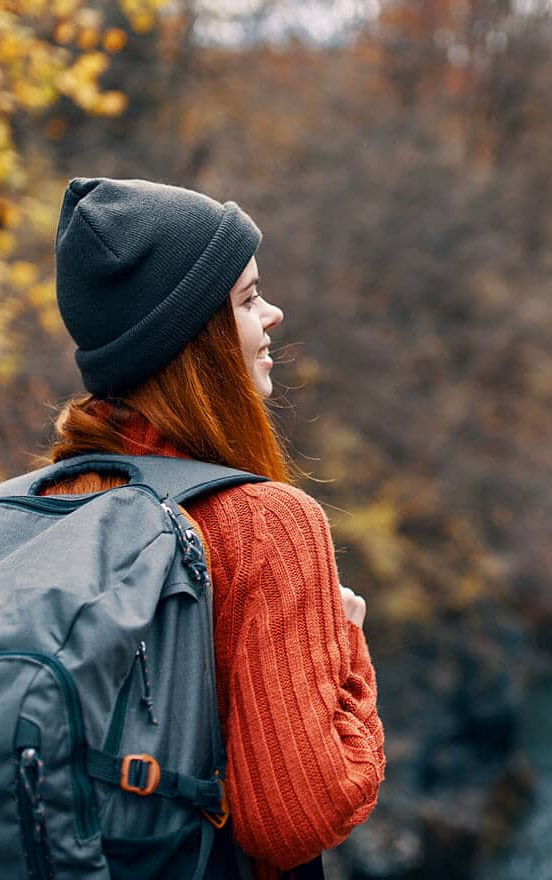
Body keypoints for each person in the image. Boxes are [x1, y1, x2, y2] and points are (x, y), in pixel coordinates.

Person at [36, 177, 385, 878]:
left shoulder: (47, 499)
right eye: (250, 299)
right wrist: (343, 648)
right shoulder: (266, 524)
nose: (274, 314)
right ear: (196, 338)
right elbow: (297, 819)